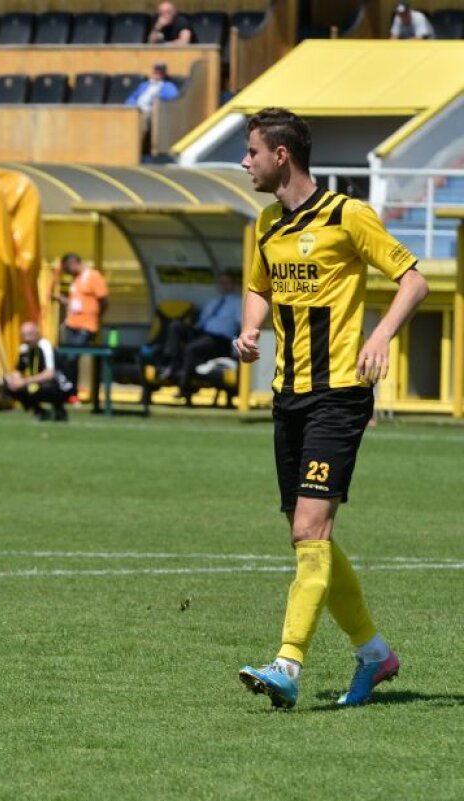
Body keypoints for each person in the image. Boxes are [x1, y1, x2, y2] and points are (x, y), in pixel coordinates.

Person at [234, 108, 428, 709]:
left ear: (281, 155)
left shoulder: (349, 215)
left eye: (252, 152)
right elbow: (259, 286)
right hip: (287, 394)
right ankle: (375, 654)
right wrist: (248, 332)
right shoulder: (267, 223)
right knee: (308, 536)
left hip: (340, 394)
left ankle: (287, 662)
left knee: (308, 529)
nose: (246, 162)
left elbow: (413, 281)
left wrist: (380, 336)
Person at [156, 272, 241, 401]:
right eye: (221, 283)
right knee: (175, 326)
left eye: (226, 283)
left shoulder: (238, 303)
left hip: (220, 339)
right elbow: (201, 321)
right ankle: (171, 363)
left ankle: (184, 388)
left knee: (192, 348)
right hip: (202, 332)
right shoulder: (213, 301)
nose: (223, 286)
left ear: (233, 285)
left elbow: (242, 324)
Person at [53, 253, 108, 401]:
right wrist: (64, 301)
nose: (68, 272)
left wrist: (95, 316)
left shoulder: (93, 276)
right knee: (67, 359)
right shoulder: (76, 280)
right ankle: (70, 393)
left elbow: (103, 299)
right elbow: (78, 303)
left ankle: (71, 392)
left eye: (67, 268)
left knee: (72, 357)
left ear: (74, 263)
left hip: (87, 325)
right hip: (71, 324)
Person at [1, 321, 69, 422]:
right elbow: (19, 369)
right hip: (36, 383)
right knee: (7, 385)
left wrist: (24, 382)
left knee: (46, 387)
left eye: (30, 334)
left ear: (37, 333)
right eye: (24, 335)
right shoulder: (24, 348)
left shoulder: (45, 346)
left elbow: (49, 374)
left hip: (59, 385)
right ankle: (40, 412)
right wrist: (14, 380)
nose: (27, 338)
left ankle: (59, 410)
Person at [125, 62, 179, 150]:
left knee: (143, 119)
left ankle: (135, 148)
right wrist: (130, 107)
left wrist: (158, 95)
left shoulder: (167, 86)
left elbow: (173, 97)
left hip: (149, 111)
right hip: (135, 109)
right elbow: (132, 97)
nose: (157, 74)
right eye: (155, 72)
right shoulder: (144, 85)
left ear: (164, 74)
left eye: (160, 72)